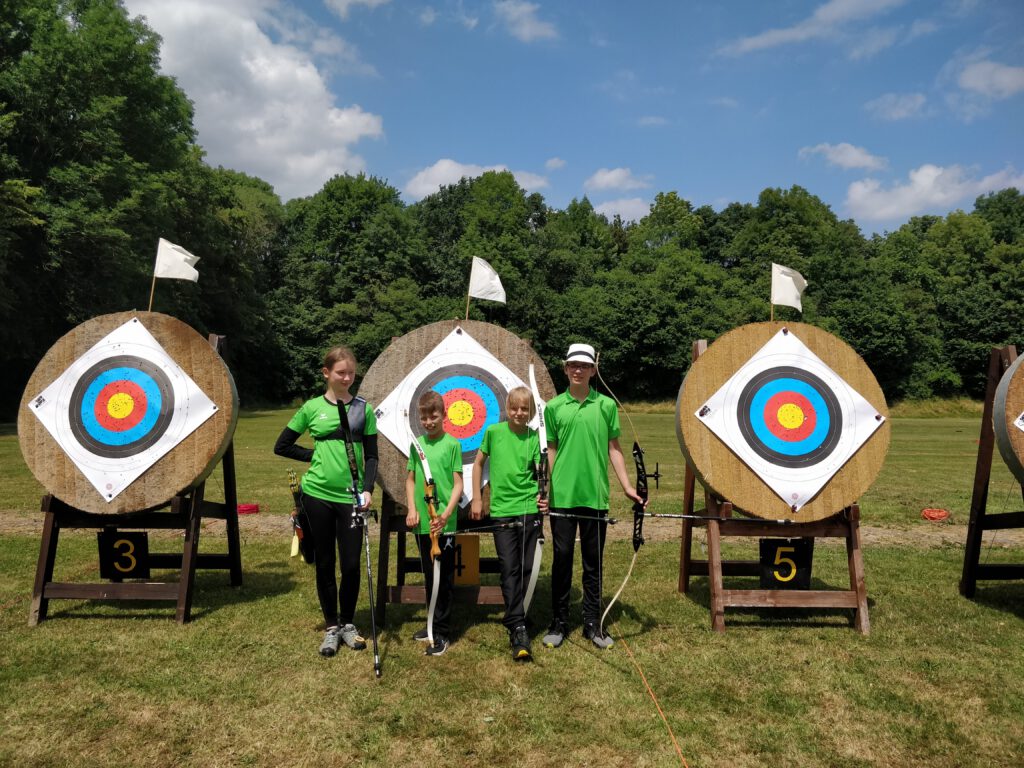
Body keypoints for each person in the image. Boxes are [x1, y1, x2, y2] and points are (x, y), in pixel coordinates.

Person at [274, 346, 378, 657]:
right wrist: (314, 455)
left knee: (350, 564)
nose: (347, 378)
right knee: (325, 563)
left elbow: (372, 456)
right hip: (316, 495)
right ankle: (331, 626)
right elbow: (282, 445)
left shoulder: (364, 409)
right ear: (326, 373)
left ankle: (348, 624)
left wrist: (368, 489)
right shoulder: (311, 408)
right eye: (340, 373)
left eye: (351, 373)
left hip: (352, 497)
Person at [542, 343, 644, 650]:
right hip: (562, 495)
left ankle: (591, 623)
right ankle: (559, 622)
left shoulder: (606, 406)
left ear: (592, 370)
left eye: (583, 366)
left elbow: (614, 449)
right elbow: (551, 449)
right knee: (561, 560)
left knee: (592, 563)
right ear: (565, 368)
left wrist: (627, 486)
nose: (577, 370)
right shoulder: (554, 407)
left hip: (595, 496)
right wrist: (545, 488)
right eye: (572, 365)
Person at [469, 386, 547, 661]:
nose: (518, 413)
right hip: (502, 509)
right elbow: (478, 464)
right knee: (509, 567)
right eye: (514, 408)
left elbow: (541, 476)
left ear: (531, 412)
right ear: (506, 407)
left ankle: (517, 617)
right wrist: (478, 498)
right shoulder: (493, 432)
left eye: (524, 409)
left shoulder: (535, 438)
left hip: (528, 510)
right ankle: (518, 625)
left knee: (528, 566)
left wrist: (543, 496)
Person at [405, 390, 464, 657]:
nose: (429, 421)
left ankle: (442, 632)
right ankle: (431, 625)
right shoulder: (417, 445)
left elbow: (458, 484)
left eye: (434, 416)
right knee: (430, 576)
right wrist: (412, 509)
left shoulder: (452, 444)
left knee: (444, 578)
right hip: (423, 523)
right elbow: (410, 480)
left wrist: (445, 514)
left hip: (444, 524)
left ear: (443, 416)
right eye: (424, 417)